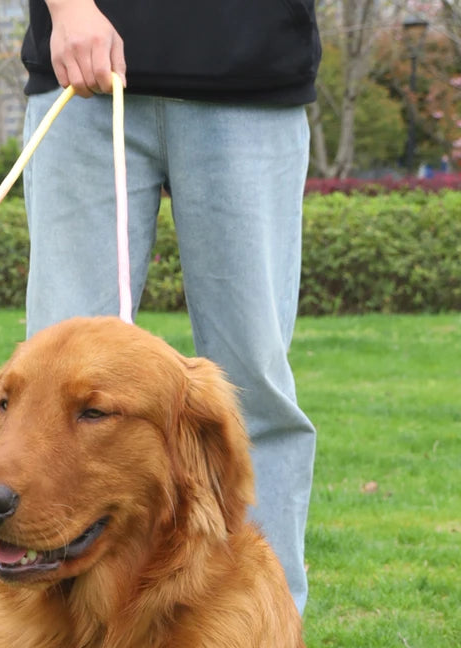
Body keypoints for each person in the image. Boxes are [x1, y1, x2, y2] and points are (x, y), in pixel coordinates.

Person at [20, 0, 321, 614]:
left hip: (252, 80)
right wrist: (70, 9)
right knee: (51, 391)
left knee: (254, 387)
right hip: (82, 84)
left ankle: (270, 636)